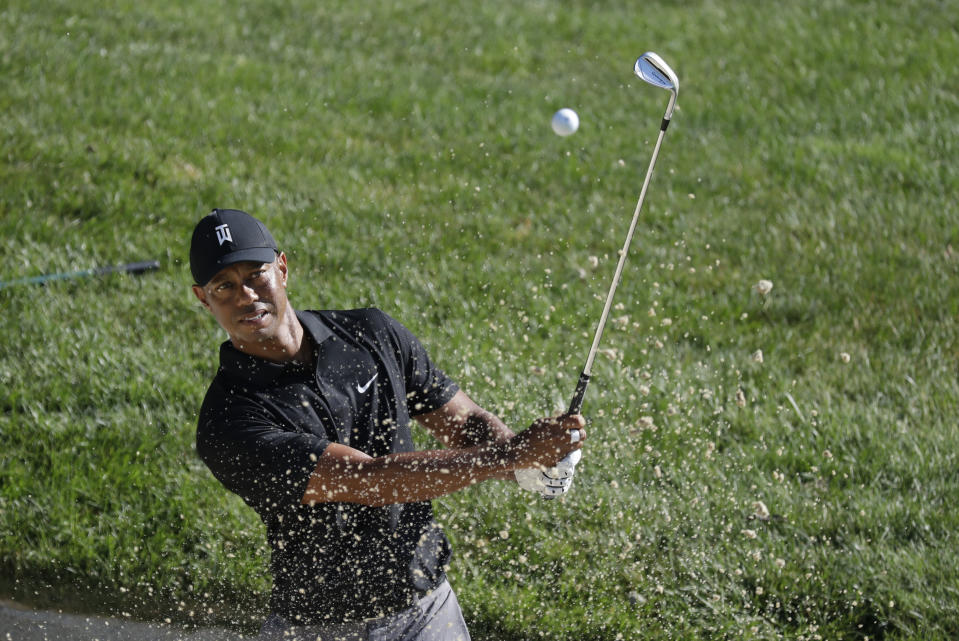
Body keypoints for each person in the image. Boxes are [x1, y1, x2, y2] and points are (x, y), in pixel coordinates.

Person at [188, 209, 585, 641]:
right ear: (203, 298)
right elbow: (371, 481)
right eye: (224, 285)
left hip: (429, 612)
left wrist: (525, 465)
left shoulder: (370, 333)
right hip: (321, 629)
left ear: (282, 268)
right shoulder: (229, 421)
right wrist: (510, 455)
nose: (246, 296)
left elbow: (463, 420)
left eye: (256, 274)